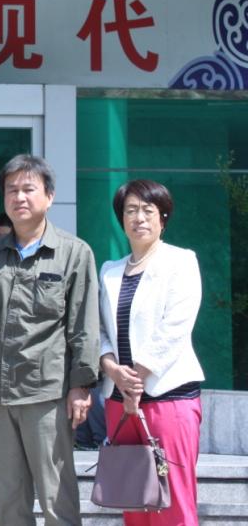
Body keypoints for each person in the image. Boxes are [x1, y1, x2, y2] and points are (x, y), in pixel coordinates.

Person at [0, 155, 99, 526]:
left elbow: (84, 324)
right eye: (11, 189)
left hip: (48, 395)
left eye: (28, 189)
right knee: (9, 505)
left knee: (57, 502)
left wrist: (81, 385)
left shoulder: (73, 253)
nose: (19, 197)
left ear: (49, 196)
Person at [98, 179, 203, 526]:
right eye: (130, 210)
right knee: (134, 499)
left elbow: (176, 326)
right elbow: (99, 331)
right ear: (121, 219)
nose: (138, 218)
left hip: (167, 397)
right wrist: (112, 369)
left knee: (173, 502)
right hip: (119, 401)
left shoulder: (181, 261)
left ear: (163, 217)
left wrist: (137, 376)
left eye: (147, 210)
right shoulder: (110, 271)